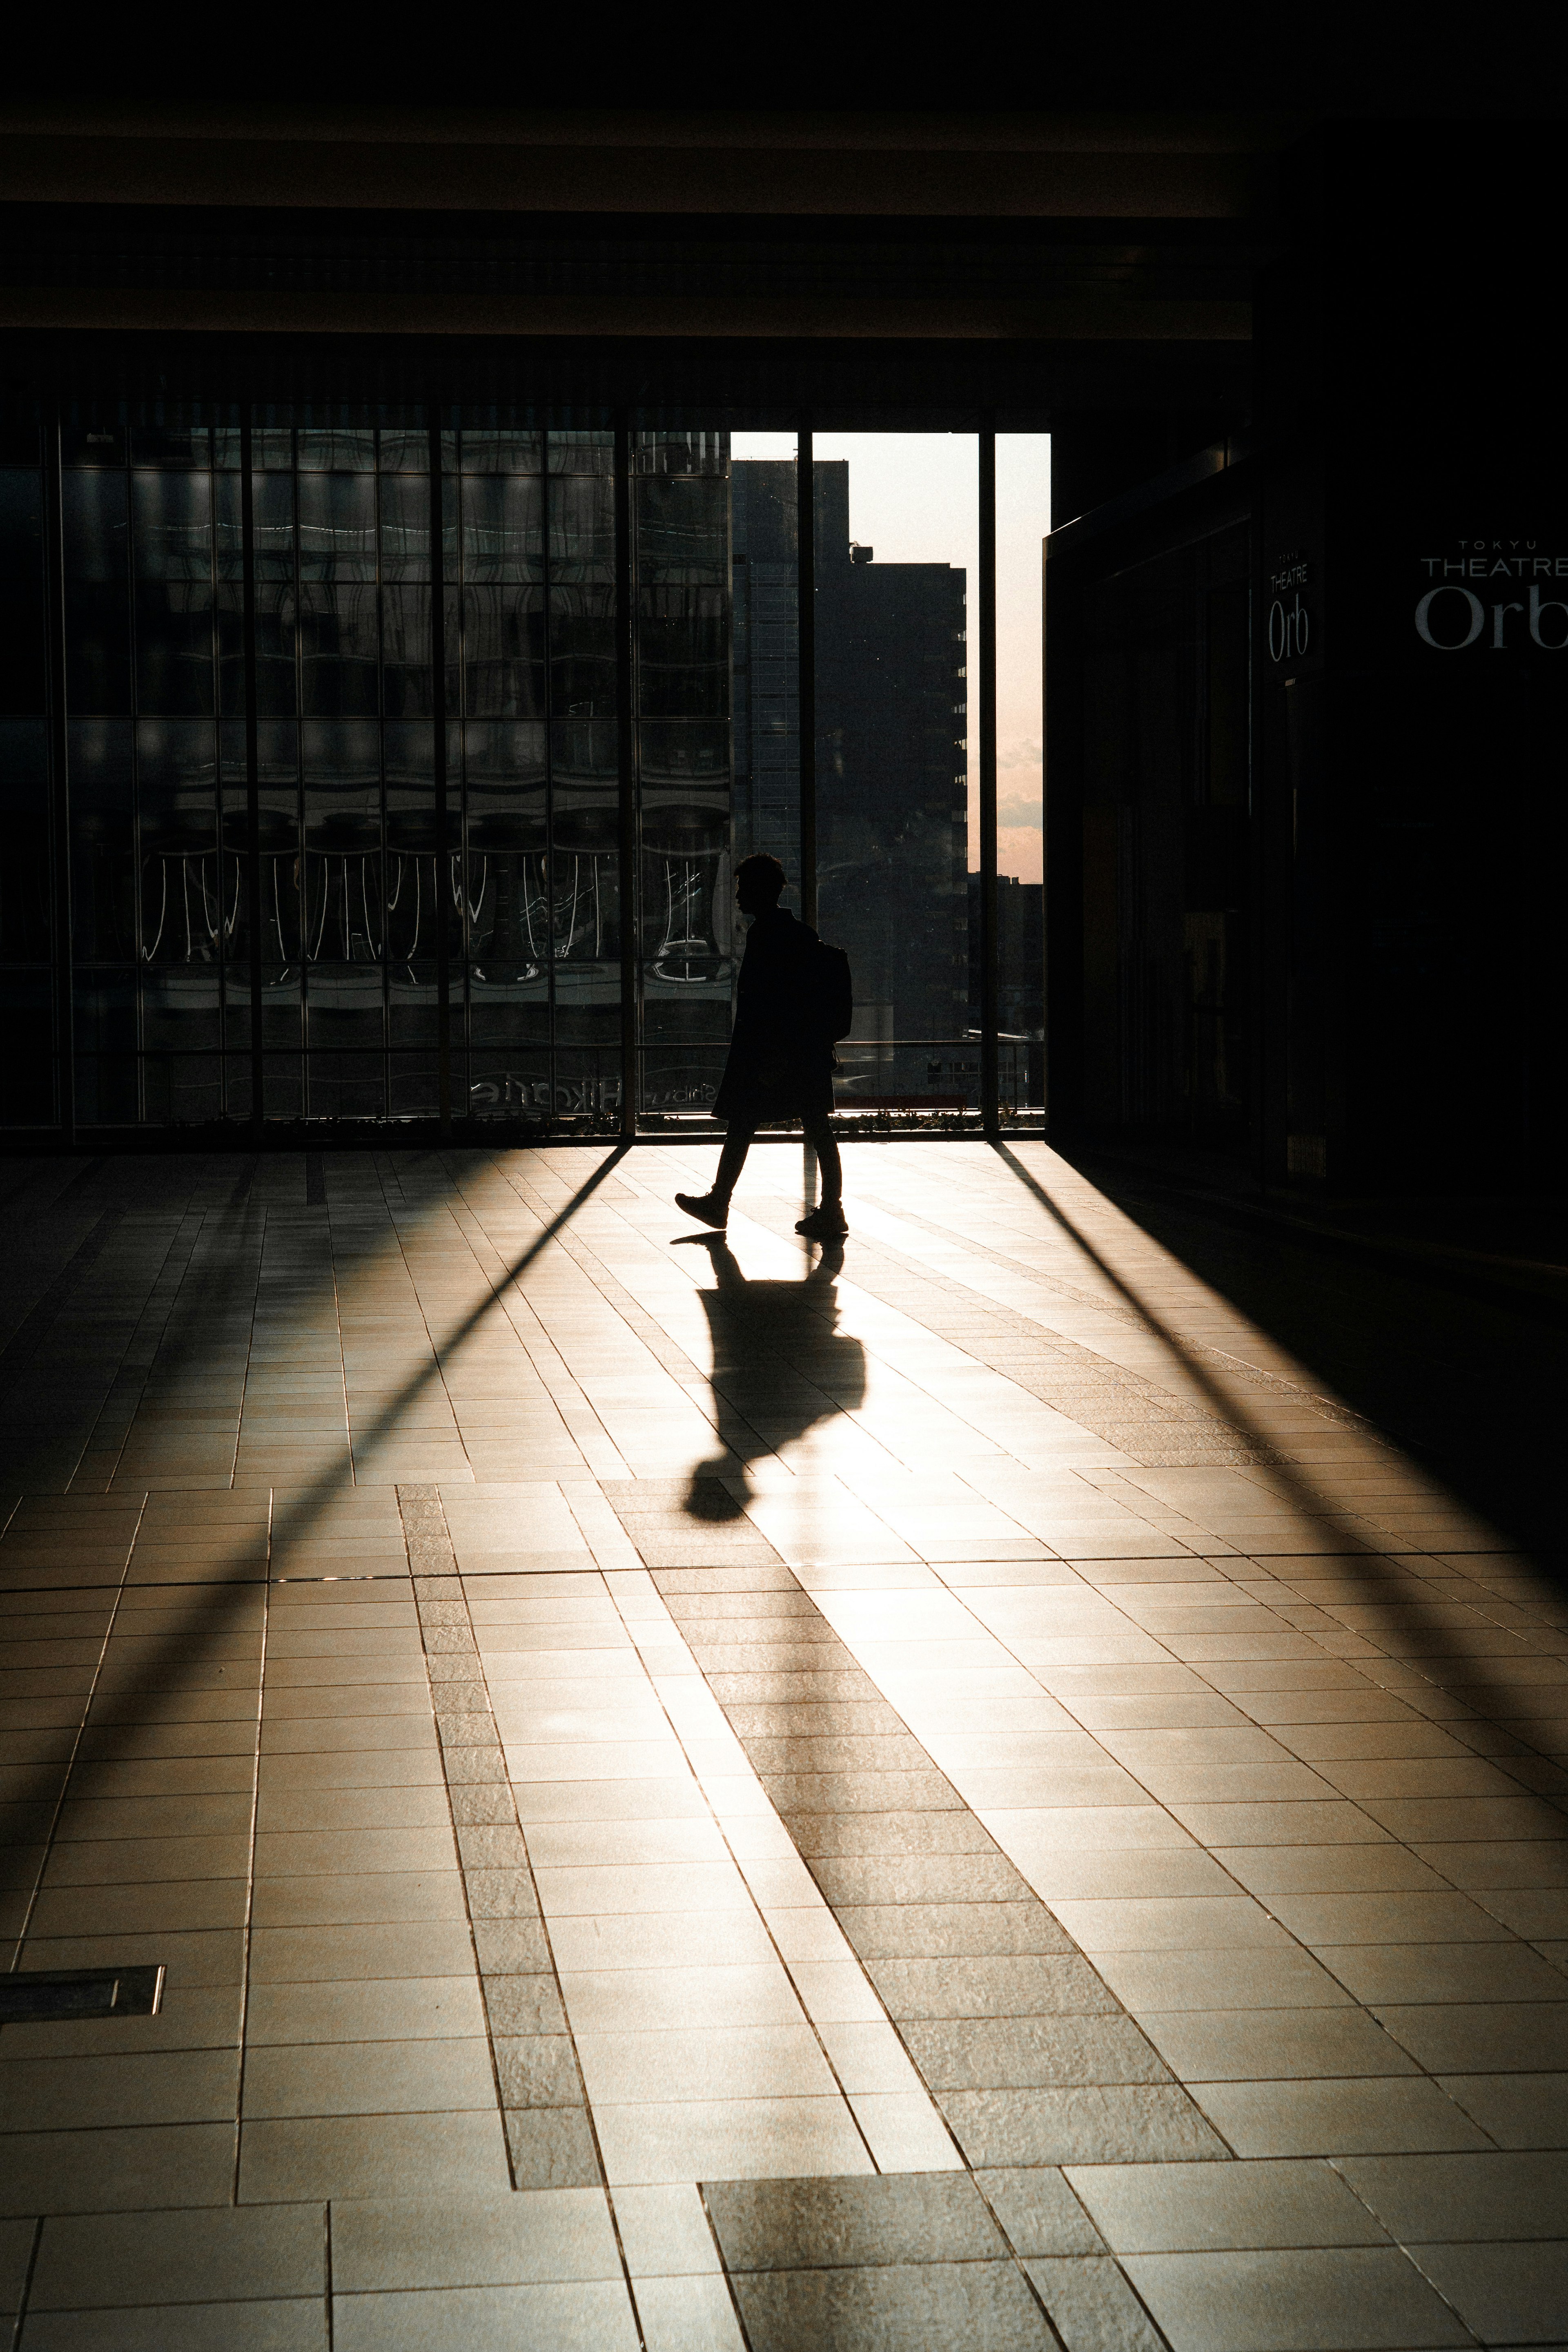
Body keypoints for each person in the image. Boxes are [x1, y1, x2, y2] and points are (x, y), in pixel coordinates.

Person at [675, 852, 847, 1240]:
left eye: (742, 887)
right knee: (817, 1127)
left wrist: (772, 1056)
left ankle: (720, 1201)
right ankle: (830, 1210)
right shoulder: (797, 934)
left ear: (759, 889)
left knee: (745, 1124)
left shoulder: (767, 935)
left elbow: (769, 1003)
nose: (737, 895)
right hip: (805, 1054)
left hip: (776, 1054)